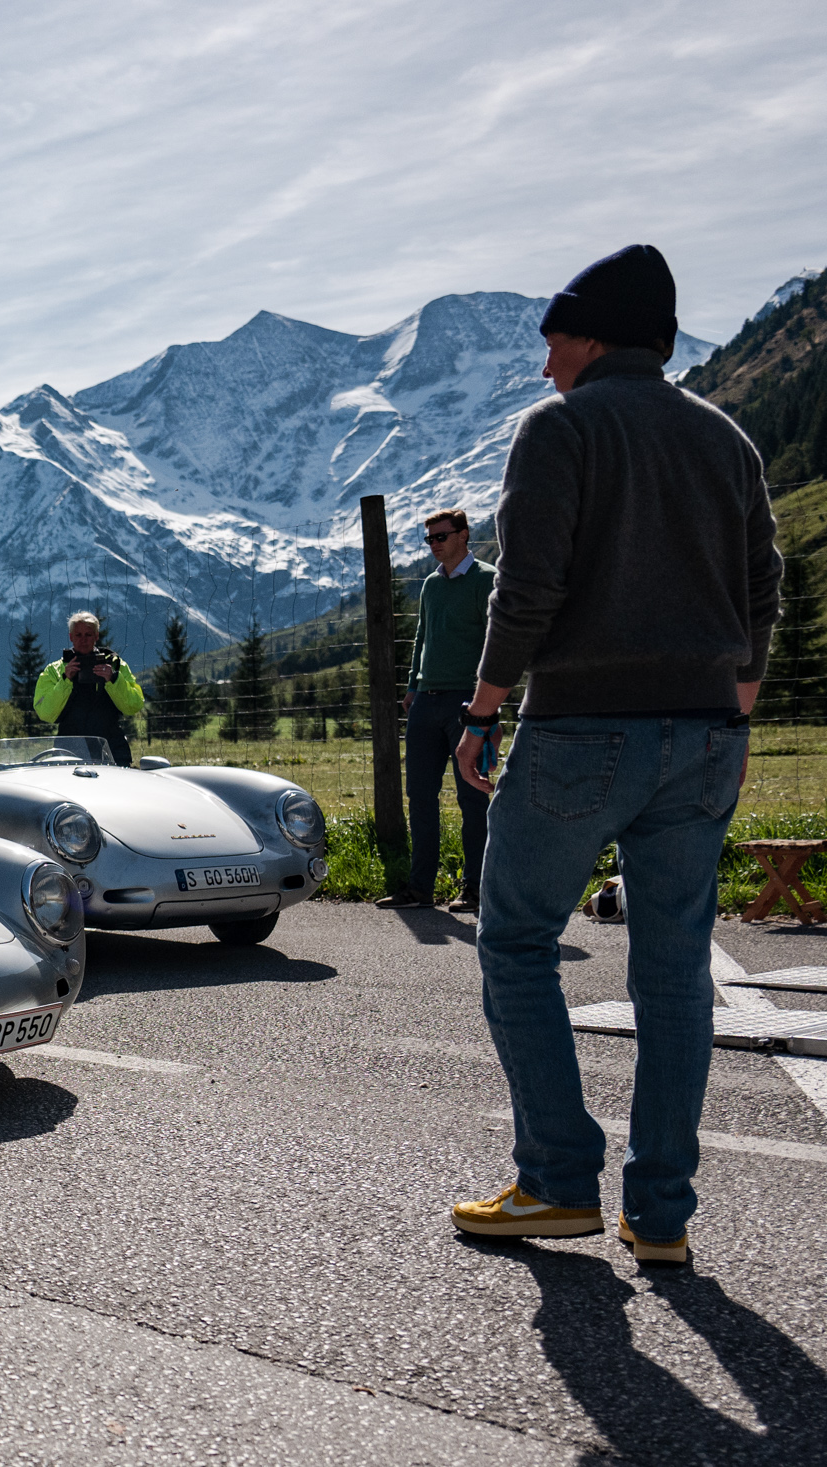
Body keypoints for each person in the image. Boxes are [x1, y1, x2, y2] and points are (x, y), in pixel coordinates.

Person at [448, 245, 781, 1268]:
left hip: (583, 727)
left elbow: (528, 589)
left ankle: (555, 1183)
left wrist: (482, 710)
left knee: (513, 942)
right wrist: (733, 701)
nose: (545, 361)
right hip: (705, 735)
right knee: (673, 974)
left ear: (593, 338)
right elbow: (764, 582)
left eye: (553, 340)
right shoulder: (723, 438)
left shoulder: (561, 428)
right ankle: (661, 1214)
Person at [379, 509, 494, 913]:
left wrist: (487, 707)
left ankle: (477, 888)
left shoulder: (487, 579)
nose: (434, 545)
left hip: (468, 701)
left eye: (441, 537)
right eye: (428, 539)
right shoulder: (430, 585)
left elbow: (498, 644)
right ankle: (419, 888)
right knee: (420, 797)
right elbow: (421, 637)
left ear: (464, 536)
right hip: (426, 701)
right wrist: (412, 687)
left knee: (472, 798)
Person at [31, 612, 144, 767]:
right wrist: (65, 680)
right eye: (78, 635)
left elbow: (134, 705)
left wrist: (114, 680)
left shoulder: (116, 666)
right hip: (69, 752)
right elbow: (45, 713)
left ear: (96, 636)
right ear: (71, 637)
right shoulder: (54, 671)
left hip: (112, 751)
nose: (83, 640)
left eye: (88, 635)